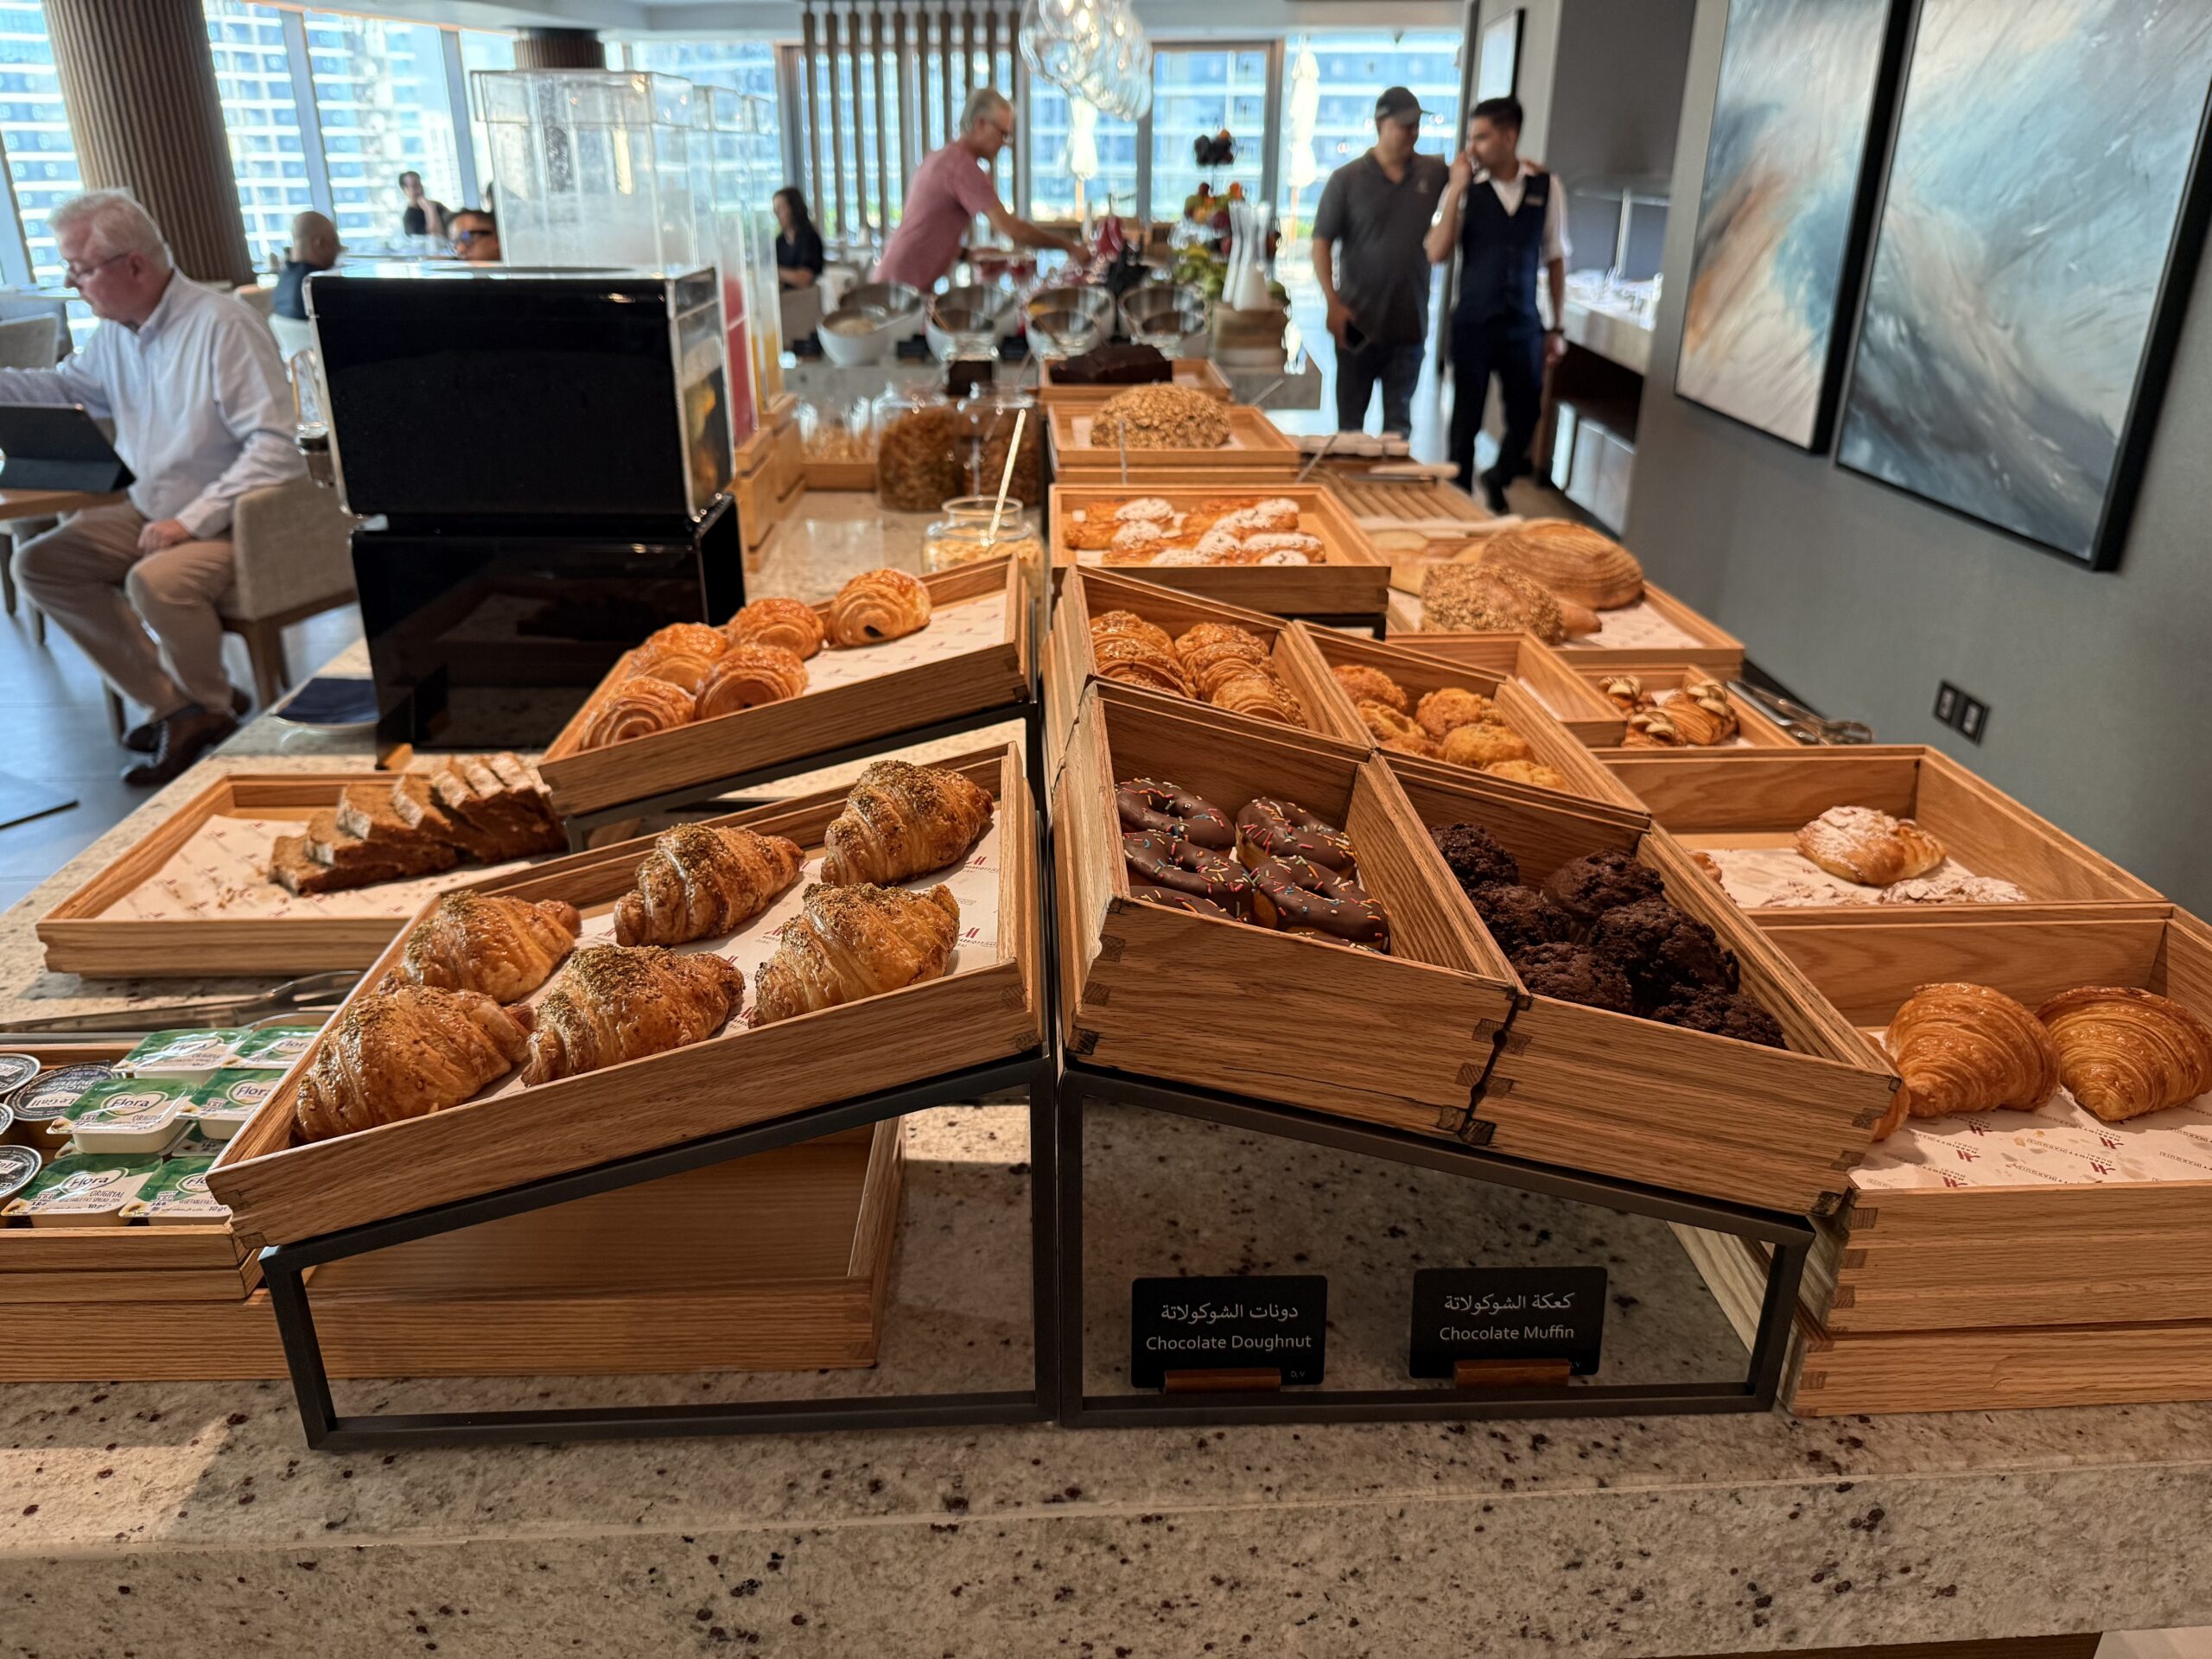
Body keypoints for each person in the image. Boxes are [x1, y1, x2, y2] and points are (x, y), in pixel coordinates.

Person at [0, 190, 302, 784]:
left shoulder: (222, 326)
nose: (71, 280)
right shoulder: (118, 333)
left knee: (156, 581)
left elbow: (275, 445)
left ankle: (207, 707)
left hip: (236, 520)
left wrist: (191, 522)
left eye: (81, 268)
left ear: (133, 266)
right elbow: (67, 390)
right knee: (39, 564)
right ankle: (179, 707)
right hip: (152, 508)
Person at [1426, 95, 1571, 511]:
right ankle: (1457, 502)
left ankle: (1498, 475)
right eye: (1472, 138)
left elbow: (1557, 257)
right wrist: (1455, 189)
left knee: (1527, 411)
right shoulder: (1467, 190)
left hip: (1523, 321)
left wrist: (1557, 327)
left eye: (1482, 138)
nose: (1472, 148)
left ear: (1510, 136)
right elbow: (1436, 252)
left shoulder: (1547, 187)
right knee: (1465, 420)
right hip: (1474, 319)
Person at [1310, 86, 1450, 438]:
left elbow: (1472, 172)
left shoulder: (1432, 173)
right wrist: (1333, 303)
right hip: (1357, 320)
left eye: (1417, 125)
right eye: (1404, 126)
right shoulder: (1347, 179)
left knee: (1398, 428)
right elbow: (1321, 245)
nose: (1412, 133)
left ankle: (1391, 494)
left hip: (1409, 324)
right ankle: (1344, 494)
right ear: (1380, 125)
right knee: (1350, 428)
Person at [874, 90, 1084, 289]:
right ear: (980, 124)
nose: (1005, 143)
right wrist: (1070, 247)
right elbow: (1013, 230)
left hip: (892, 280)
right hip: (899, 287)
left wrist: (968, 254)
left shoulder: (942, 157)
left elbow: (928, 227)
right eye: (1002, 134)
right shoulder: (963, 167)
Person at [271, 211, 339, 322]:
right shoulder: (320, 286)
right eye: (335, 242)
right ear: (320, 244)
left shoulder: (282, 283)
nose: (338, 249)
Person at [774, 188, 824, 289]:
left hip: (805, 298)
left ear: (794, 208)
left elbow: (804, 280)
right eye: (776, 210)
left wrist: (774, 272)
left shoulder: (810, 238)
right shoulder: (780, 242)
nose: (777, 214)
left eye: (781, 208)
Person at [398, 171, 448, 240]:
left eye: (420, 185)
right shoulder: (409, 218)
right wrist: (430, 211)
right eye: (415, 186)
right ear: (405, 190)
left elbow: (455, 222)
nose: (420, 190)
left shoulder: (436, 205)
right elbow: (434, 239)